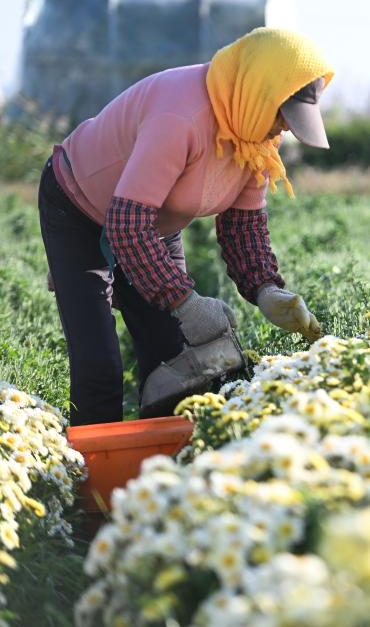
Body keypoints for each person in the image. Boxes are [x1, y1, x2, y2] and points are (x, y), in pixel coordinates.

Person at [38, 27, 331, 425]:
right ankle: (90, 477)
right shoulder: (181, 115)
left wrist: (266, 288)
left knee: (176, 356)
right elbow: (126, 227)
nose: (283, 128)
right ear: (258, 91)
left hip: (150, 222)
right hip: (79, 207)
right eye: (283, 114)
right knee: (98, 365)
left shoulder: (254, 136)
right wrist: (185, 301)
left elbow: (243, 226)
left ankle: (163, 470)